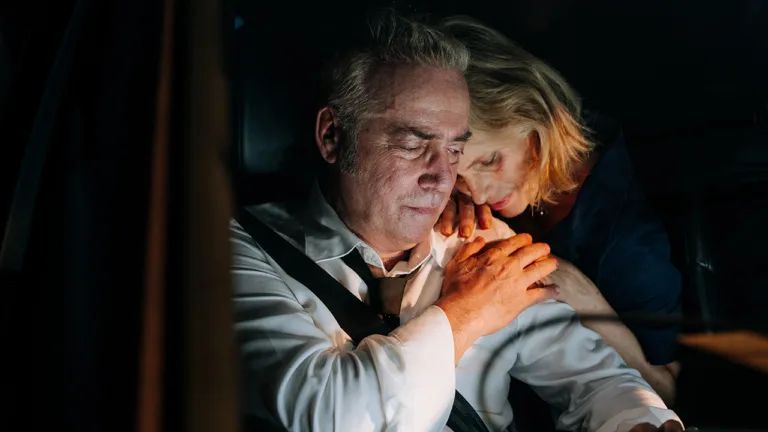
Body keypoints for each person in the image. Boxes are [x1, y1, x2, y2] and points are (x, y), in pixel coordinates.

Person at [231, 10, 683, 432]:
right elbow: (334, 416)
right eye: (413, 144)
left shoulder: (481, 243)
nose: (442, 179)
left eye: (454, 151)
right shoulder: (240, 250)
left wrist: (638, 421)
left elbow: (596, 379)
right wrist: (466, 313)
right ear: (332, 136)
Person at [436, 16, 682, 405]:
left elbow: (667, 389)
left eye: (489, 161)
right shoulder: (480, 192)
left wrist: (587, 299)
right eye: (460, 176)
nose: (479, 193)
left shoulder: (628, 245)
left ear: (532, 115)